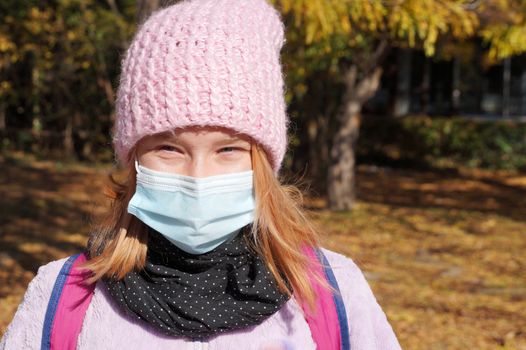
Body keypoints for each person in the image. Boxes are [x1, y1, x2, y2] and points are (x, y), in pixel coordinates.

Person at [0, 0, 402, 349]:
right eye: (168, 149)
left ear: (262, 162)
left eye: (228, 149)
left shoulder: (333, 294)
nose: (198, 177)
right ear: (133, 158)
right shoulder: (64, 297)